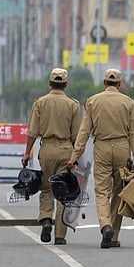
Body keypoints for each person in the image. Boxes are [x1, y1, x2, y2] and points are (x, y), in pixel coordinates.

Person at [68, 68, 134, 249]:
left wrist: (74, 156)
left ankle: (105, 225)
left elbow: (84, 132)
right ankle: (114, 235)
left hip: (101, 146)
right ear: (119, 83)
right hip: (122, 147)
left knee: (102, 191)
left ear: (104, 83)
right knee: (119, 192)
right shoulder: (128, 103)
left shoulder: (93, 102)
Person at [22, 68, 82, 245]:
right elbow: (76, 135)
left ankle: (46, 218)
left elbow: (32, 131)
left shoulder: (40, 103)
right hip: (65, 149)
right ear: (65, 84)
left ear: (50, 83)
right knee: (62, 191)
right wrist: (75, 157)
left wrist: (27, 153)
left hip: (46, 149)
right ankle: (60, 235)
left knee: (47, 187)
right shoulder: (73, 105)